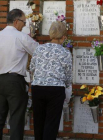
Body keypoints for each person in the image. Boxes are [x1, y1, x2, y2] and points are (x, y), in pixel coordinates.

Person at [0, 9, 39, 140]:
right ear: (16, 22)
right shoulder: (21, 37)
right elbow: (38, 52)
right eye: (23, 21)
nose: (24, 25)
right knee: (16, 119)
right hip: (14, 81)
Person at [30, 21, 72, 140]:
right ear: (64, 37)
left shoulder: (39, 49)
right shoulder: (65, 52)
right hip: (56, 89)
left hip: (38, 87)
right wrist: (68, 87)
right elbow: (68, 75)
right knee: (51, 124)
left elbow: (32, 67)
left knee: (39, 123)